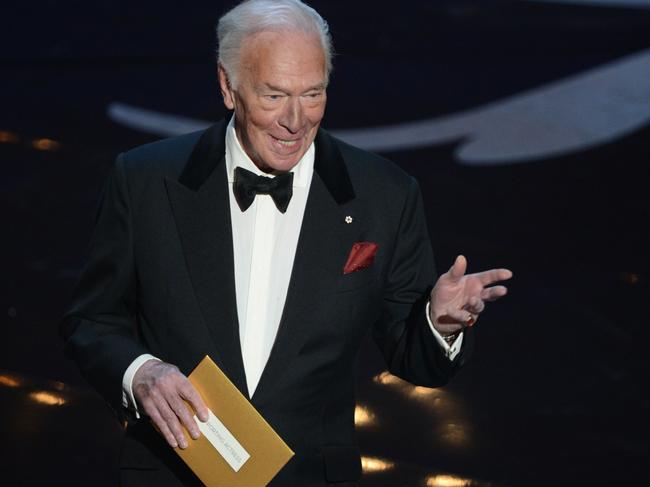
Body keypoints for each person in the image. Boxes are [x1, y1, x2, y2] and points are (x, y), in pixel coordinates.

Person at [60, 1, 512, 485]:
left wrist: (439, 324)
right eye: (273, 96)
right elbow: (91, 320)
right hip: (171, 472)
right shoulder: (146, 179)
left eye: (312, 94)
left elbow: (414, 357)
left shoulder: (385, 194)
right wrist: (139, 373)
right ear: (227, 86)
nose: (295, 121)